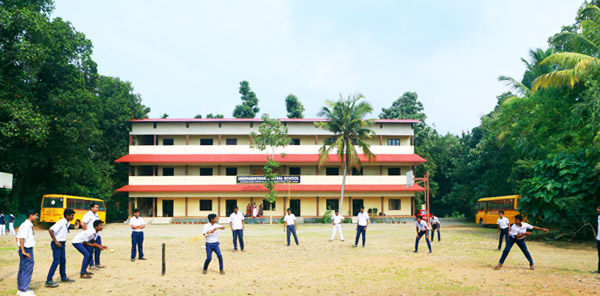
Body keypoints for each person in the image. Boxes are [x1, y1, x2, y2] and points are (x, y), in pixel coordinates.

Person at [46, 209, 76, 288]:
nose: (73, 217)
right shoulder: (61, 222)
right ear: (67, 215)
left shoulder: (67, 223)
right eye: (71, 215)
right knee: (56, 261)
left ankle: (63, 277)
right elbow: (51, 230)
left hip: (61, 244)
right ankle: (49, 280)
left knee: (63, 260)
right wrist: (56, 241)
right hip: (57, 244)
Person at [16, 210, 38, 296]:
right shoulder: (26, 226)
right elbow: (21, 238)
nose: (37, 217)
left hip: (25, 249)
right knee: (27, 268)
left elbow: (17, 237)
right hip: (26, 249)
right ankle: (24, 290)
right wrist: (23, 251)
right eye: (36, 215)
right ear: (31, 215)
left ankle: (21, 289)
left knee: (23, 268)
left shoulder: (25, 225)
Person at [82, 202, 105, 270]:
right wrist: (86, 232)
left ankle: (97, 263)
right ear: (92, 208)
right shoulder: (88, 214)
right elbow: (83, 223)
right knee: (90, 250)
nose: (97, 209)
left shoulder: (96, 215)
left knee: (98, 248)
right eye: (96, 207)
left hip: (97, 234)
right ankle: (91, 264)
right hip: (90, 235)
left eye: (98, 207)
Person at [593, 204, 600, 274]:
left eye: (599, 208)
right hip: (599, 238)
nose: (597, 209)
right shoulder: (598, 216)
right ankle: (599, 269)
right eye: (597, 208)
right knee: (599, 254)